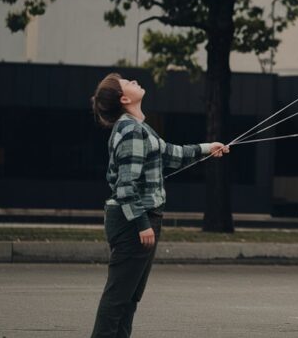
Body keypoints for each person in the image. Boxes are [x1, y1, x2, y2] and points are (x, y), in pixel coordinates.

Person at [88, 73, 229, 337]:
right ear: (125, 98)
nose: (133, 80)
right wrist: (142, 224)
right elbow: (125, 186)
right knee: (118, 297)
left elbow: (172, 154)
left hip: (140, 219)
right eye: (127, 83)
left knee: (130, 298)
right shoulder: (130, 130)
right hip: (133, 222)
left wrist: (207, 148)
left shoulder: (139, 128)